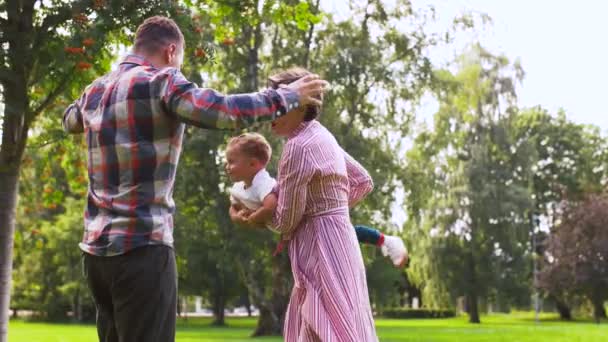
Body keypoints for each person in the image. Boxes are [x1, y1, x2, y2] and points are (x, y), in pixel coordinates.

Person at [62, 16, 327, 342]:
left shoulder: (94, 91)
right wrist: (286, 97)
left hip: (96, 256)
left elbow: (69, 121)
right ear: (171, 51)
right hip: (142, 247)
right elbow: (223, 111)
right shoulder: (163, 81)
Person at [232, 67, 379, 341]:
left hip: (319, 249)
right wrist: (330, 211)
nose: (271, 112)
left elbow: (285, 221)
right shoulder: (323, 136)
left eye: (280, 103)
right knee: (339, 323)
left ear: (301, 105)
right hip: (341, 242)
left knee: (327, 327)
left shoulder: (297, 146)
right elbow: (363, 181)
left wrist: (257, 216)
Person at [226, 132, 408, 267]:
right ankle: (383, 240)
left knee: (341, 232)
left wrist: (253, 219)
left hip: (301, 210)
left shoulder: (262, 183)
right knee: (340, 234)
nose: (227, 166)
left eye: (232, 161)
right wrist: (236, 217)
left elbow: (270, 206)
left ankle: (385, 240)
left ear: (253, 164)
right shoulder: (238, 188)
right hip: (295, 223)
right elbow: (233, 206)